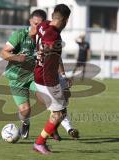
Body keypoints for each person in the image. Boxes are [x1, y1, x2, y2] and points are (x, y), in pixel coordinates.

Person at [0, 9, 78, 140]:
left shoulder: (46, 36)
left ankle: (59, 128)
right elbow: (3, 53)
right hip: (16, 79)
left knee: (49, 100)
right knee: (25, 110)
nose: (37, 27)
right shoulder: (19, 35)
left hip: (33, 77)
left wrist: (63, 75)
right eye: (35, 23)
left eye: (40, 24)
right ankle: (25, 122)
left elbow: (56, 57)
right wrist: (18, 58)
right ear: (30, 21)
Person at [33, 4, 72, 154]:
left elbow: (34, 32)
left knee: (62, 106)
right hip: (47, 78)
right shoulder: (53, 35)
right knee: (59, 113)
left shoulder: (43, 25)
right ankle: (39, 143)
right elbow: (50, 51)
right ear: (65, 20)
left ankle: (52, 132)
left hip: (40, 73)